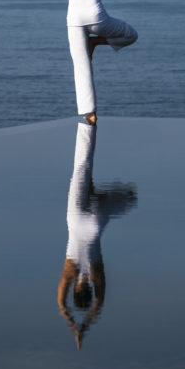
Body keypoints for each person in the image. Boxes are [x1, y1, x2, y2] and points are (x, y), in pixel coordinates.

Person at [57, 121, 137, 349]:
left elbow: (99, 303)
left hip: (94, 224)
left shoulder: (96, 275)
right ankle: (87, 126)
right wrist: (72, 323)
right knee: (82, 167)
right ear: (74, 290)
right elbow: (60, 304)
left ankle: (103, 194)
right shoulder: (69, 273)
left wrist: (85, 326)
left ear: (89, 290)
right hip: (75, 221)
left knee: (126, 198)